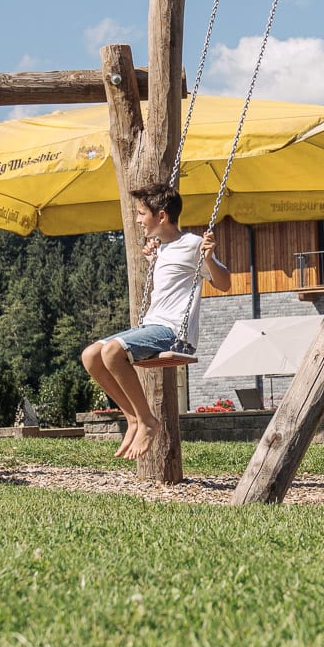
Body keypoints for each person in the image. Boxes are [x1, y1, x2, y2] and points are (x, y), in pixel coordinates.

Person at [80, 183, 230, 461]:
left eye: (141, 214)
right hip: (152, 326)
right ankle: (133, 418)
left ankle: (148, 421)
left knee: (112, 351)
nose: (138, 220)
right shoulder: (162, 248)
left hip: (174, 333)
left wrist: (209, 258)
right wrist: (154, 259)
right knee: (90, 356)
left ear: (161, 216)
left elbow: (224, 283)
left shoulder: (193, 244)